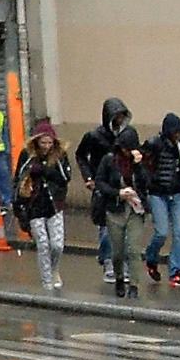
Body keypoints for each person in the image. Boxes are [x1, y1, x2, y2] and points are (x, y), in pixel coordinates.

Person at [76, 98, 141, 290]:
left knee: (124, 229)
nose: (119, 120)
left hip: (123, 186)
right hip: (103, 185)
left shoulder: (127, 135)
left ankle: (122, 264)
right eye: (116, 116)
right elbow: (81, 155)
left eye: (122, 116)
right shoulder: (94, 136)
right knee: (106, 228)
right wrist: (89, 176)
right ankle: (108, 261)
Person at [15, 127, 75, 291]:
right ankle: (46, 279)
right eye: (43, 142)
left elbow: (65, 177)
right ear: (36, 142)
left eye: (49, 143)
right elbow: (19, 178)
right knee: (42, 245)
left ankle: (54, 269)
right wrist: (19, 206)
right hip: (34, 205)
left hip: (54, 205)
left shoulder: (60, 155)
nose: (46, 146)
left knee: (57, 245)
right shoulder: (27, 155)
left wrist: (47, 170)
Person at [143, 112, 180, 290]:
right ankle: (151, 258)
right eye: (175, 132)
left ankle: (176, 271)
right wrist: (148, 186)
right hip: (158, 194)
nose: (178, 136)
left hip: (178, 193)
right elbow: (143, 167)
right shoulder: (154, 144)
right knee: (161, 232)